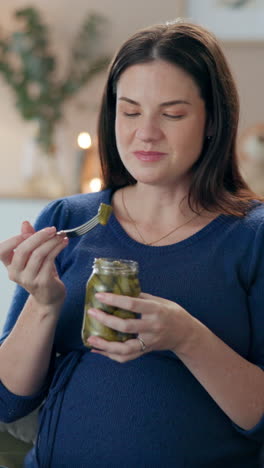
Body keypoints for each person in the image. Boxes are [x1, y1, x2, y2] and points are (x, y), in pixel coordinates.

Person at [0, 19, 263, 468]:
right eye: (130, 110)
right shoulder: (68, 219)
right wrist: (43, 303)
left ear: (213, 122)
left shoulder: (251, 237)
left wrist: (186, 336)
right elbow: (10, 404)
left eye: (173, 114)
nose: (146, 133)